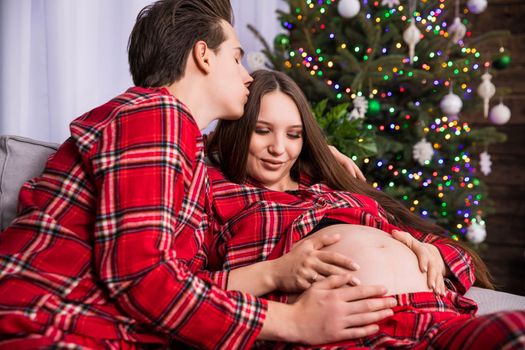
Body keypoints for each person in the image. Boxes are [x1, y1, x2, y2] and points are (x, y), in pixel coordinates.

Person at [0, 1, 398, 348]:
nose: (247, 76)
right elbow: (143, 278)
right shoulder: (156, 113)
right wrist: (293, 323)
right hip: (48, 322)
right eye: (237, 57)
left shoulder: (180, 149)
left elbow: (183, 283)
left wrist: (314, 151)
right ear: (204, 56)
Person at [206, 69, 525, 348]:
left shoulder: (329, 186)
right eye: (262, 130)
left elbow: (462, 259)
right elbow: (185, 289)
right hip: (341, 331)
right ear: (237, 128)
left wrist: (437, 258)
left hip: (431, 315)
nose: (279, 148)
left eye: (294, 135)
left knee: (516, 330)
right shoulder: (217, 189)